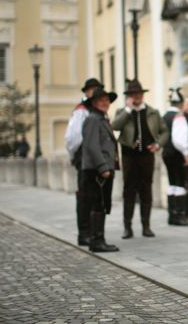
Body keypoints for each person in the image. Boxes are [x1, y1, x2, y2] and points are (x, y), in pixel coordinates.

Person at [112, 79, 168, 239]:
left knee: (146, 190)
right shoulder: (122, 112)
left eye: (138, 93)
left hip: (146, 156)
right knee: (128, 190)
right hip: (129, 155)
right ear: (129, 96)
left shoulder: (152, 112)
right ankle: (127, 227)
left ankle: (146, 226)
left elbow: (164, 131)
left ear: (142, 95)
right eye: (132, 94)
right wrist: (128, 110)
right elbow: (114, 126)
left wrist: (158, 144)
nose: (136, 96)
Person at [64, 77, 104, 246]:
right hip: (85, 157)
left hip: (95, 157)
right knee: (85, 196)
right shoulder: (82, 110)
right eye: (92, 90)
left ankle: (93, 232)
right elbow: (72, 137)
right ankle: (84, 232)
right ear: (86, 92)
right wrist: (74, 156)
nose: (94, 93)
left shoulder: (97, 110)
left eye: (97, 90)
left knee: (95, 196)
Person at [82, 87, 119, 253]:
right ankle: (97, 240)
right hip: (97, 171)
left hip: (102, 169)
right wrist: (103, 167)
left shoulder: (102, 118)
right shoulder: (93, 119)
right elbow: (92, 145)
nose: (105, 103)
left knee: (102, 204)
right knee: (98, 204)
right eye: (101, 101)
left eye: (107, 100)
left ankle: (98, 239)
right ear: (94, 103)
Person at [161, 87, 188, 226]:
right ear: (180, 103)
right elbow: (179, 139)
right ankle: (179, 216)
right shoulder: (179, 116)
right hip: (177, 153)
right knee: (180, 182)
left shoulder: (164, 116)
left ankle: (171, 215)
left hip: (166, 152)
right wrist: (186, 153)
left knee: (172, 182)